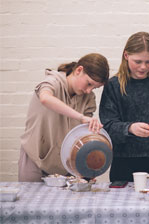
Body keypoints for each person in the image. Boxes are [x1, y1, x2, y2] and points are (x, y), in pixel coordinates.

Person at [99, 31, 149, 182]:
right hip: (122, 163)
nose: (143, 67)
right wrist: (129, 128)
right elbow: (107, 126)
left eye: (148, 61)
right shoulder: (113, 86)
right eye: (138, 62)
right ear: (126, 56)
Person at [19, 53, 110, 182]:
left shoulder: (88, 99)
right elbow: (45, 98)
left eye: (95, 88)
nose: (89, 91)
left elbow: (80, 137)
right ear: (79, 70)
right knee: (30, 200)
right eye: (89, 84)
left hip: (66, 165)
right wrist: (81, 117)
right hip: (34, 160)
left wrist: (87, 168)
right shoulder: (53, 81)